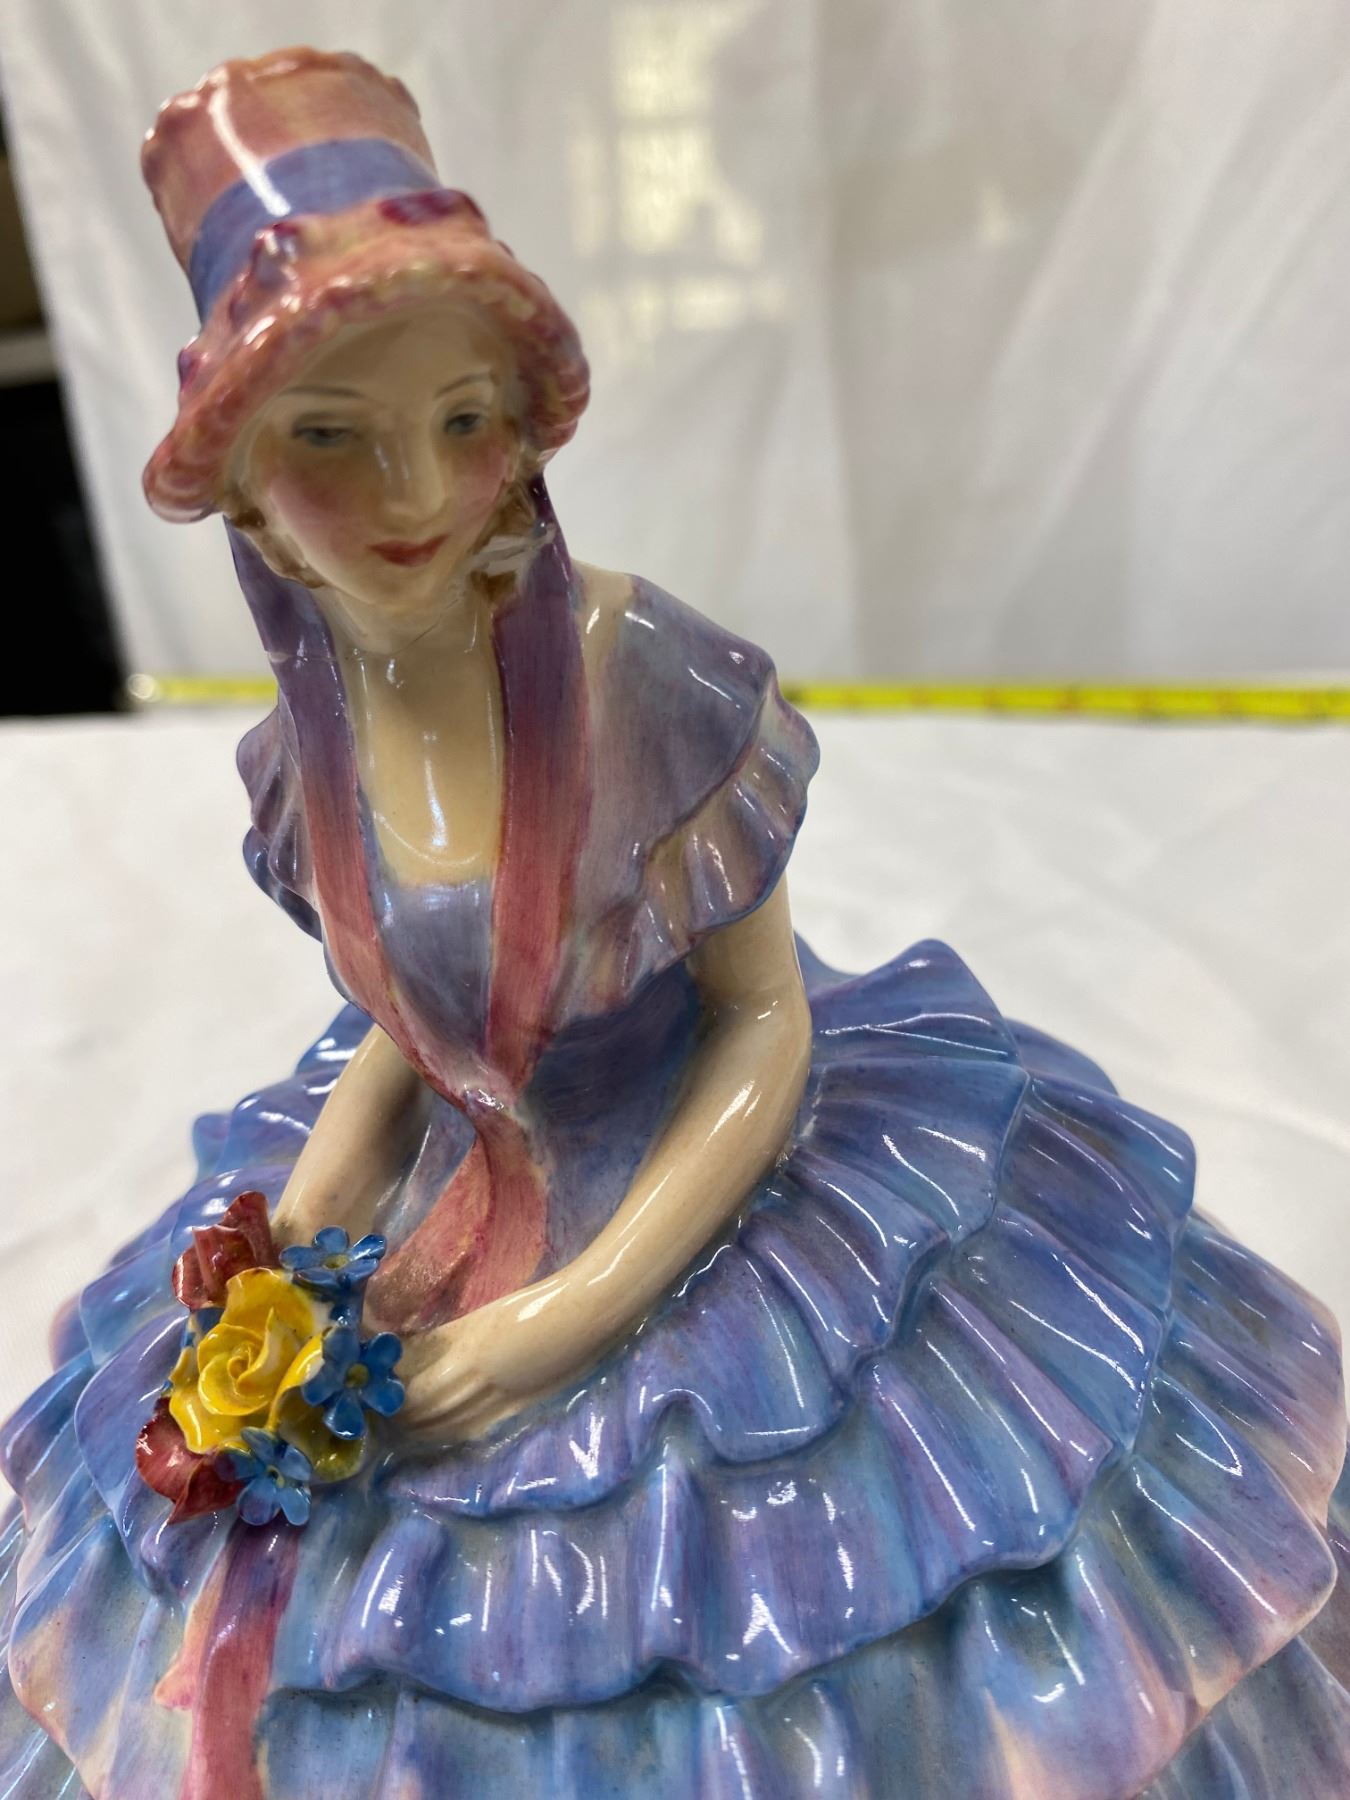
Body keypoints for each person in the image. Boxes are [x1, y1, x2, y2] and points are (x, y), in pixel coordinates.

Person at [1, 47, 1347, 1800]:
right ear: (240, 480)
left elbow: (759, 1021)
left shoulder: (643, 678)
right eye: (330, 437)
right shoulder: (291, 764)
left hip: (728, 1167)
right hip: (473, 1174)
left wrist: (559, 1321)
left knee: (840, 1601)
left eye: (462, 421)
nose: (415, 493)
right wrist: (297, 1235)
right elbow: (410, 1042)